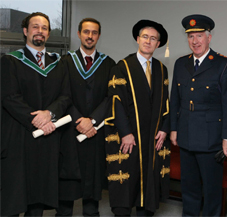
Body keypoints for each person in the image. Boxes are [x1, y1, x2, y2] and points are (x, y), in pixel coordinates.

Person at [1, 12, 71, 216]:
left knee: (38, 197)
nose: (40, 31)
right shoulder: (10, 61)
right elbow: (9, 97)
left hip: (46, 139)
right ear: (25, 31)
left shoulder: (58, 63)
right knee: (14, 196)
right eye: (35, 27)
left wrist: (50, 113)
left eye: (44, 28)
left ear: (49, 34)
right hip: (18, 137)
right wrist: (37, 119)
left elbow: (66, 96)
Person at [170, 14, 227, 216]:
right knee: (189, 188)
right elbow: (175, 99)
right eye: (191, 37)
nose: (195, 41)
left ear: (209, 37)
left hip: (211, 137)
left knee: (211, 191)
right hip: (186, 133)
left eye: (199, 36)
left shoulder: (224, 65)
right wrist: (174, 128)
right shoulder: (181, 63)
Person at [104, 19, 170, 216]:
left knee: (148, 183)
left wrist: (165, 128)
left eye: (153, 39)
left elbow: (167, 104)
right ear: (137, 39)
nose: (148, 41)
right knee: (126, 182)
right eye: (145, 37)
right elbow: (116, 102)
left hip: (151, 138)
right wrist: (125, 133)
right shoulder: (122, 67)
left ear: (158, 44)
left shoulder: (161, 69)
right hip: (129, 138)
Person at [56, 18, 116, 216]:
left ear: (99, 35)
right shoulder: (65, 62)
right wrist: (79, 120)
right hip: (70, 133)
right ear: (79, 34)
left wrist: (92, 120)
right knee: (66, 189)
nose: (90, 36)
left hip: (94, 133)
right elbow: (61, 96)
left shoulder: (108, 64)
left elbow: (111, 98)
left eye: (94, 32)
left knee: (92, 189)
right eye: (86, 32)